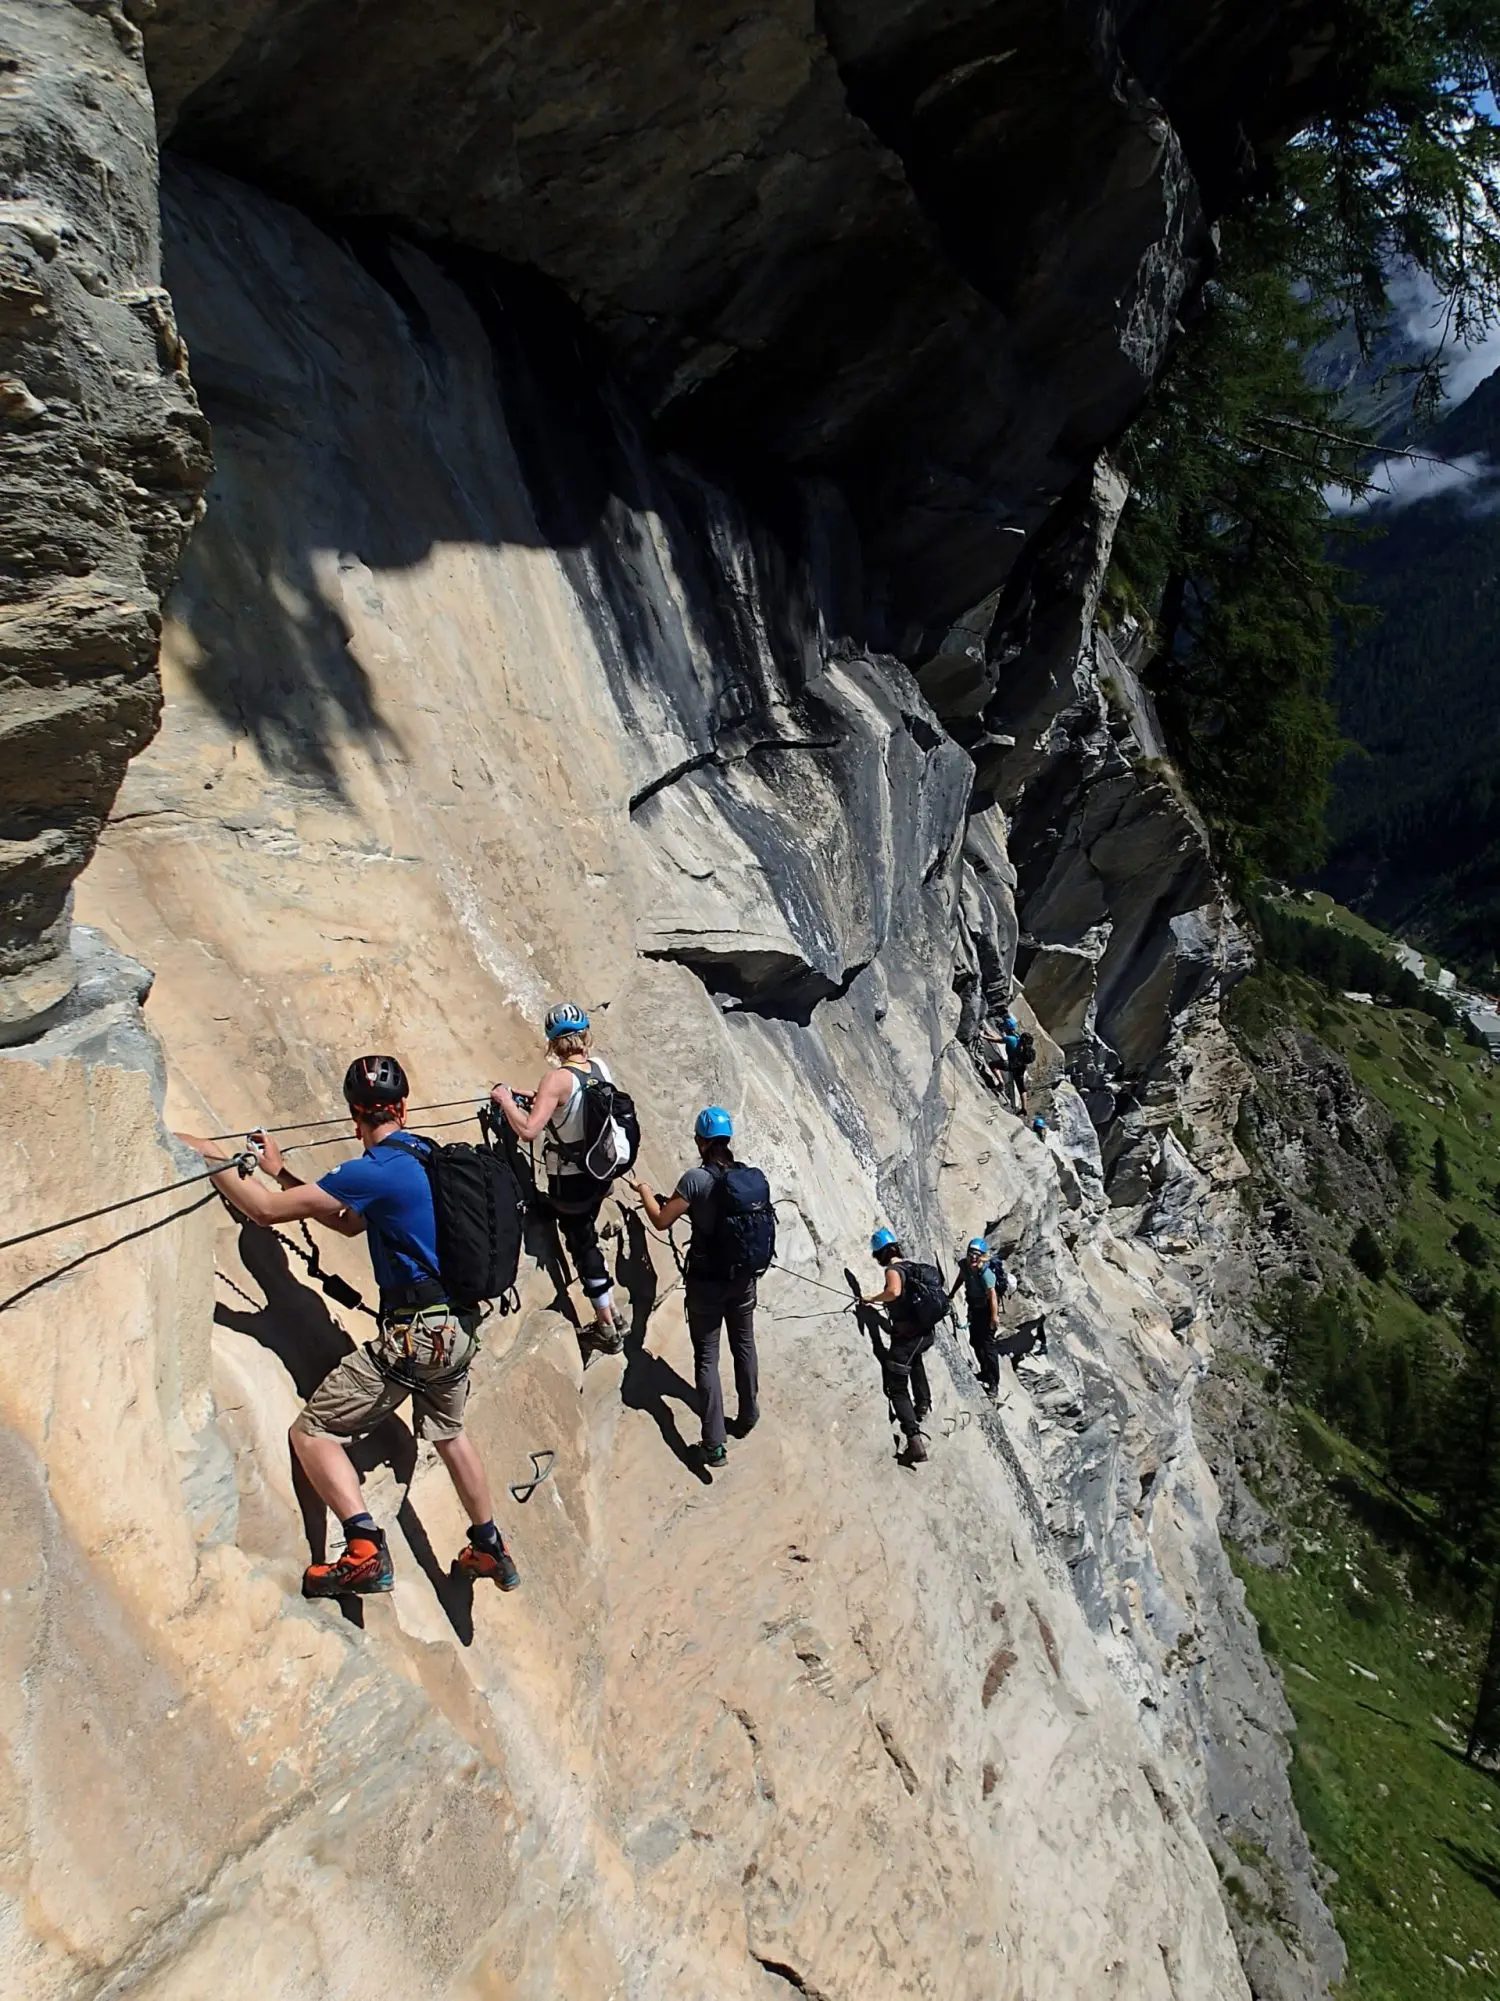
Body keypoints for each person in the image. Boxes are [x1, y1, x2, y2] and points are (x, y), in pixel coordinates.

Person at [179, 1056, 519, 1598]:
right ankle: (489, 1544)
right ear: (403, 1107)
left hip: (416, 1337)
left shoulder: (373, 1168)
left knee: (311, 1434)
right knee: (450, 1433)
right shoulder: (426, 1157)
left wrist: (208, 1155)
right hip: (457, 1329)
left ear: (352, 1116)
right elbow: (350, 1220)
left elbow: (266, 1213)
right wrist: (281, 1172)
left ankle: (362, 1548)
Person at [628, 1106, 771, 1469]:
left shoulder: (695, 1180)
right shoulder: (745, 1178)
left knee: (707, 1358)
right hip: (743, 1280)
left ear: (701, 1141)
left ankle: (714, 1445)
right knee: (744, 1346)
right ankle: (749, 1413)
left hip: (707, 1283)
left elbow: (661, 1220)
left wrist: (645, 1192)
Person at [490, 1002, 624, 1353]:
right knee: (587, 1234)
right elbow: (574, 1104)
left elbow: (529, 1130)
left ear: (552, 1042)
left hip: (569, 1178)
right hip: (598, 1171)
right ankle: (612, 1308)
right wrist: (537, 1100)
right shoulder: (600, 1068)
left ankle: (607, 1327)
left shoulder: (555, 1080)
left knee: (581, 1244)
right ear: (585, 1036)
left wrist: (505, 1100)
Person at [860, 1227, 944, 1463]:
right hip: (925, 1334)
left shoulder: (894, 1270)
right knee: (914, 1361)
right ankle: (923, 1404)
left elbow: (893, 1291)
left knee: (896, 1386)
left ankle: (914, 1440)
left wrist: (872, 1299)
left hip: (908, 1338)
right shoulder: (912, 1267)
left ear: (880, 1254)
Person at [948, 1236, 1001, 1398]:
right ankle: (985, 1372)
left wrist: (994, 1317)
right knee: (975, 1342)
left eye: (977, 1254)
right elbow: (961, 1278)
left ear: (982, 1256)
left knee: (988, 1346)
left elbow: (992, 1295)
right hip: (975, 1308)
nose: (973, 1257)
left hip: (986, 1311)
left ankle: (993, 1383)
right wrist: (951, 1294)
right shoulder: (965, 1265)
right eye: (971, 1253)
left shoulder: (985, 1273)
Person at [1007, 1030, 1035, 1115]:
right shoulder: (1030, 1049)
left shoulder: (1020, 1047)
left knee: (1013, 1084)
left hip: (1015, 1067)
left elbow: (1014, 1053)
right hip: (1022, 1068)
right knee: (1021, 1088)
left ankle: (1014, 1105)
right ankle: (1024, 1107)